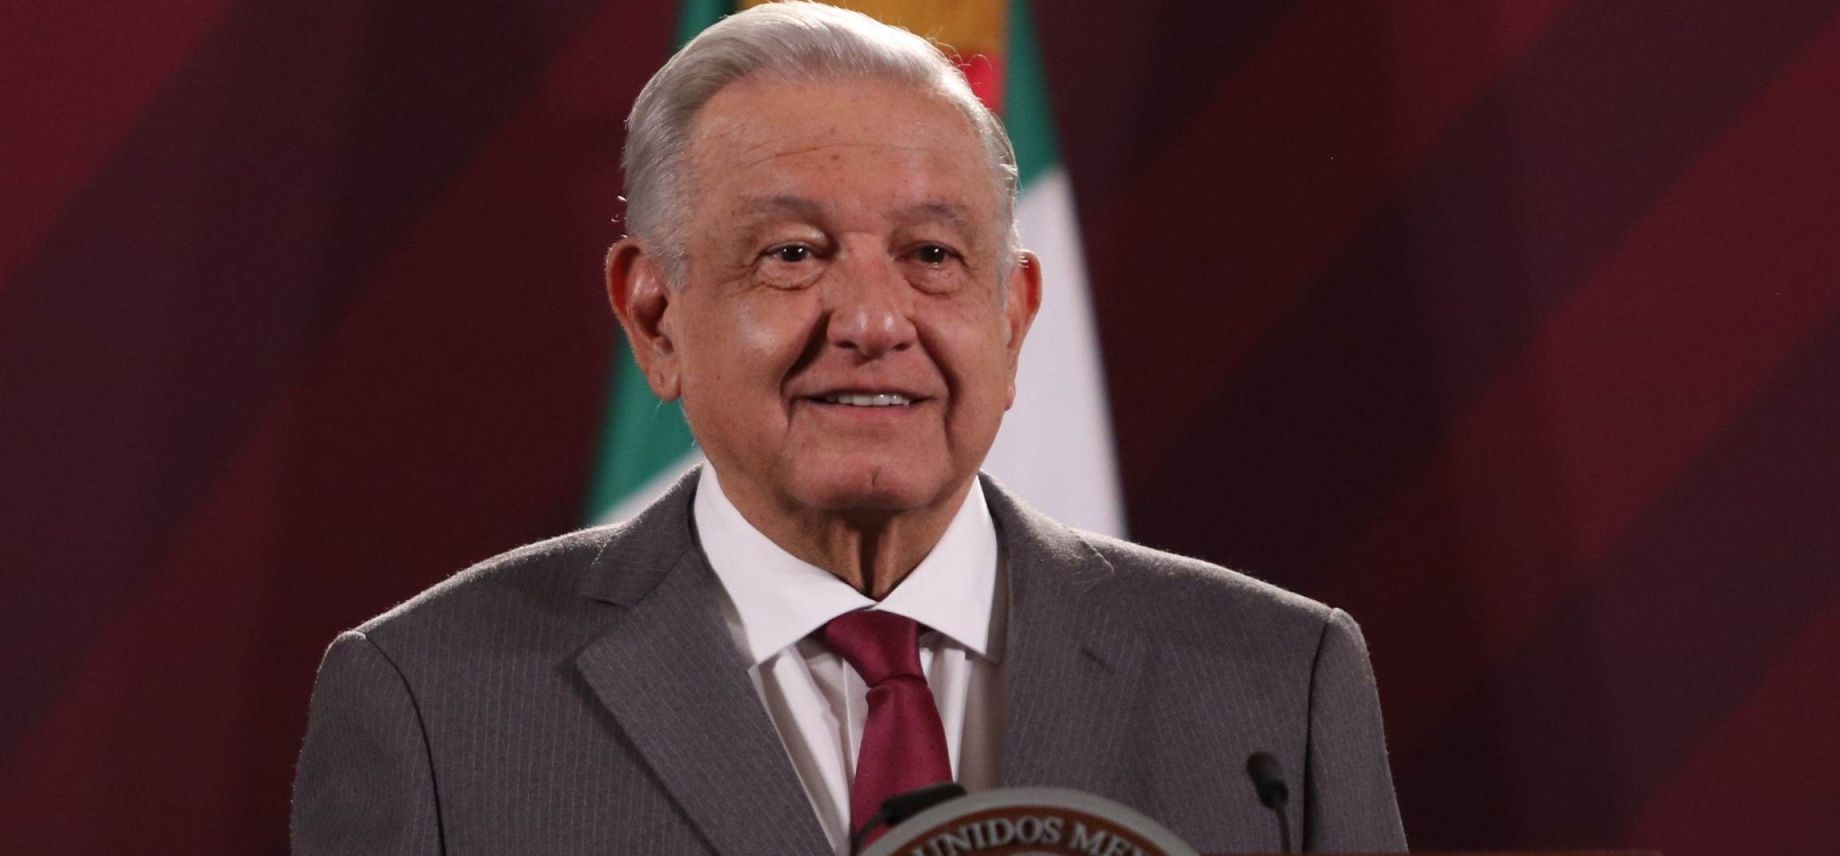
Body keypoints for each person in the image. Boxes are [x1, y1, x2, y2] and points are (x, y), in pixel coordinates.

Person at [290, 4, 1405, 854]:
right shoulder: (433, 707)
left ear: (1012, 316)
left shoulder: (1275, 687)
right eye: (792, 254)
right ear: (654, 314)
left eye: (932, 255)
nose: (874, 321)